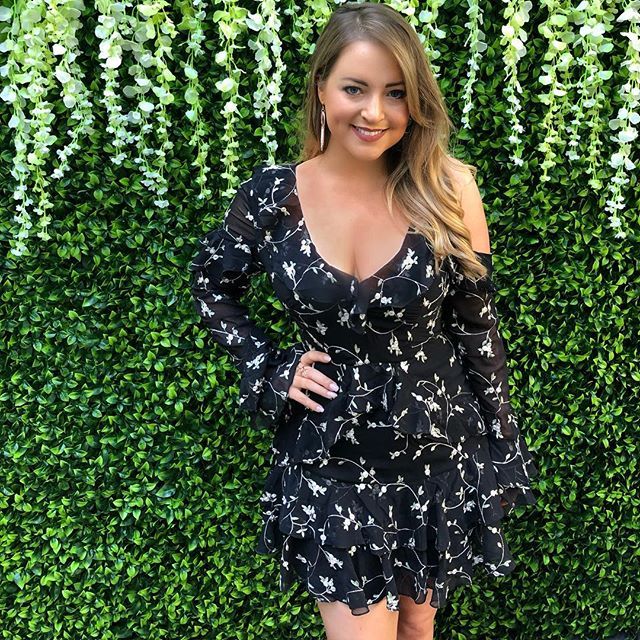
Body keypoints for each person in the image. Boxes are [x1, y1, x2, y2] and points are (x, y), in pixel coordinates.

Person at [189, 3, 539, 639]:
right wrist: (270, 365)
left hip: (437, 455)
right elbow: (213, 286)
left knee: (417, 629)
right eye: (355, 88)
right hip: (330, 463)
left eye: (395, 93)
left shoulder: (448, 189)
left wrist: (500, 438)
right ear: (322, 89)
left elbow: (475, 326)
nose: (375, 112)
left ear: (415, 103)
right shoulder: (272, 196)